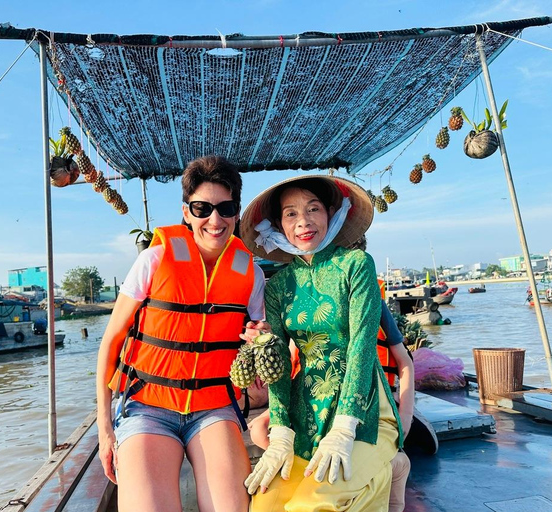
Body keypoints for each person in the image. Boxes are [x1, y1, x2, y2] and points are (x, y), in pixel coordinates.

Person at [95, 155, 267, 512]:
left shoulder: (251, 274)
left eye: (225, 208)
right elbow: (110, 342)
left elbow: (261, 342)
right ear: (186, 212)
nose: (215, 220)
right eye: (202, 208)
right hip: (147, 406)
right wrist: (104, 430)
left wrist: (259, 338)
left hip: (214, 406)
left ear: (237, 212)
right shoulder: (154, 259)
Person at [238, 175, 404, 512]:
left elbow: (360, 345)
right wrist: (281, 432)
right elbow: (280, 365)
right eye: (290, 214)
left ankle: (389, 467)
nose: (303, 222)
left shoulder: (356, 265)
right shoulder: (279, 285)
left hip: (363, 411)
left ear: (331, 212)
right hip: (306, 412)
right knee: (265, 504)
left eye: (313, 209)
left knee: (315, 503)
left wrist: (345, 428)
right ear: (279, 224)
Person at [247, 295, 414, 512]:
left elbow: (404, 361)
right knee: (259, 430)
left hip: (366, 403)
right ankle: (309, 473)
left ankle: (388, 467)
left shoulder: (367, 298)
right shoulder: (296, 306)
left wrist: (405, 418)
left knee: (316, 502)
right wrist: (266, 342)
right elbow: (291, 366)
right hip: (314, 403)